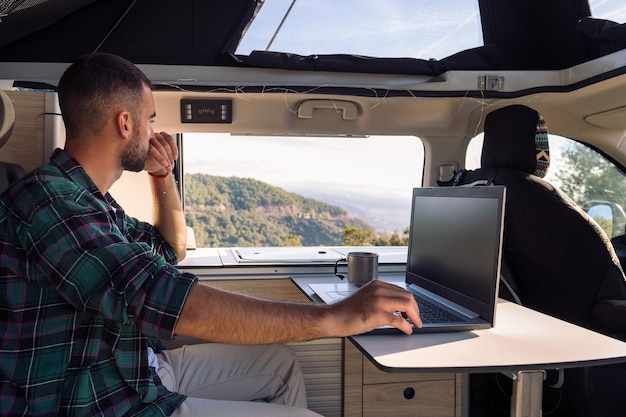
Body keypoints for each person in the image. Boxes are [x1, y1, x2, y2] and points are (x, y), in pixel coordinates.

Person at [0, 53, 421, 417]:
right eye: (149, 120)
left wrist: (163, 176)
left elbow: (170, 249)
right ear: (125, 124)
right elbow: (155, 293)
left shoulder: (93, 203)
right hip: (94, 399)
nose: (154, 132)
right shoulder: (48, 201)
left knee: (281, 364)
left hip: (130, 370)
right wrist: (333, 318)